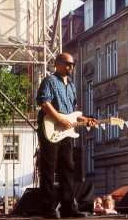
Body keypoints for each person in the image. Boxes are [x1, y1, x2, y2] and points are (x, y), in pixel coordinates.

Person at [36, 52, 96, 219]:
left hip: (66, 131)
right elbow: (44, 102)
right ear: (57, 64)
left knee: (68, 167)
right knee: (49, 168)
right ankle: (47, 208)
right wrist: (60, 119)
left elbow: (73, 113)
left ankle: (68, 207)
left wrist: (86, 120)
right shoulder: (49, 81)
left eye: (73, 64)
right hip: (51, 127)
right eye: (68, 63)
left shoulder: (71, 84)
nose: (71, 67)